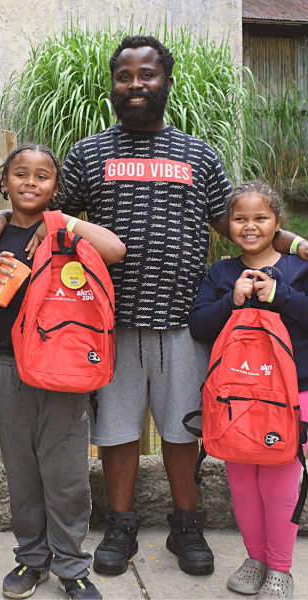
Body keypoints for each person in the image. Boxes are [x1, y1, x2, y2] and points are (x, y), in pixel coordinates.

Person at [0, 35, 308, 577]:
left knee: (181, 429)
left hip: (184, 321)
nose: (135, 84)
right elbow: (47, 213)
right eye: (124, 76)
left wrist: (294, 243)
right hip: (107, 323)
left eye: (146, 75)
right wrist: (0, 220)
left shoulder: (198, 155)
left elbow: (239, 220)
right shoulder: (89, 153)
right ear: (113, 85)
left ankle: (186, 524)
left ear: (165, 82)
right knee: (118, 430)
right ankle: (121, 525)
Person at [0, 144, 126, 600]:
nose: (30, 183)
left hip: (64, 369)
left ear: (56, 185)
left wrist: (61, 222)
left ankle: (72, 567)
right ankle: (32, 560)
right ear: (3, 181)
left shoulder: (68, 230)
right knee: (21, 471)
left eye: (42, 176)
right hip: (9, 365)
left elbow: (116, 249)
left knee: (67, 472)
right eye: (20, 174)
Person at [189, 181, 308, 599]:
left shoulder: (300, 269)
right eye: (240, 219)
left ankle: (281, 568)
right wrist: (231, 302)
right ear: (229, 224)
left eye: (261, 218)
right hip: (235, 397)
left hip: (292, 395)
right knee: (241, 482)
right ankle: (255, 558)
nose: (250, 226)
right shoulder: (220, 273)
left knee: (280, 483)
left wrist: (282, 295)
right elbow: (199, 326)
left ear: (278, 222)